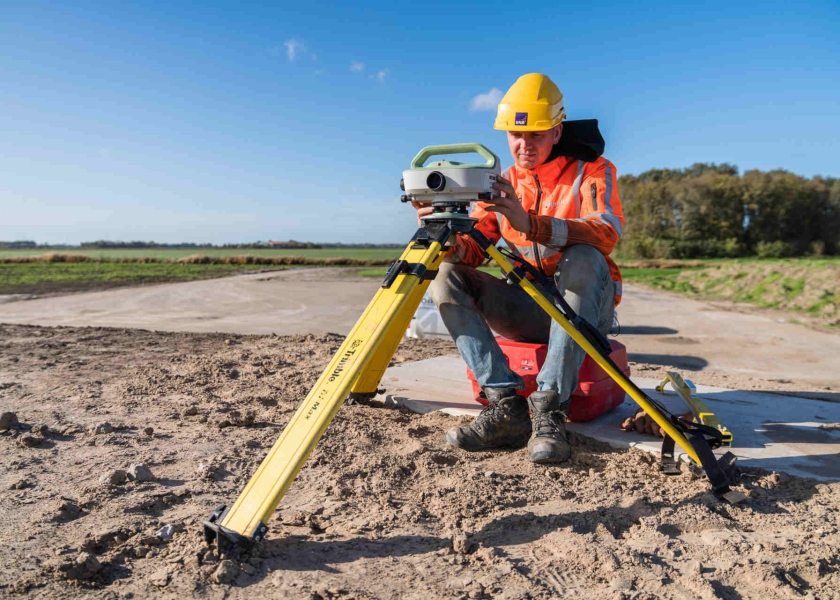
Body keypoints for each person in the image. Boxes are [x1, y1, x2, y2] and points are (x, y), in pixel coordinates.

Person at [413, 73, 625, 464]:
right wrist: (439, 227)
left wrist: (532, 225)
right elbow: (472, 252)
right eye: (515, 135)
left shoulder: (592, 170)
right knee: (446, 276)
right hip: (531, 306)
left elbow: (607, 233)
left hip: (587, 307)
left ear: (557, 132)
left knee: (584, 255)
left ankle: (548, 412)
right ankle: (506, 407)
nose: (523, 145)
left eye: (536, 136)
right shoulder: (503, 181)